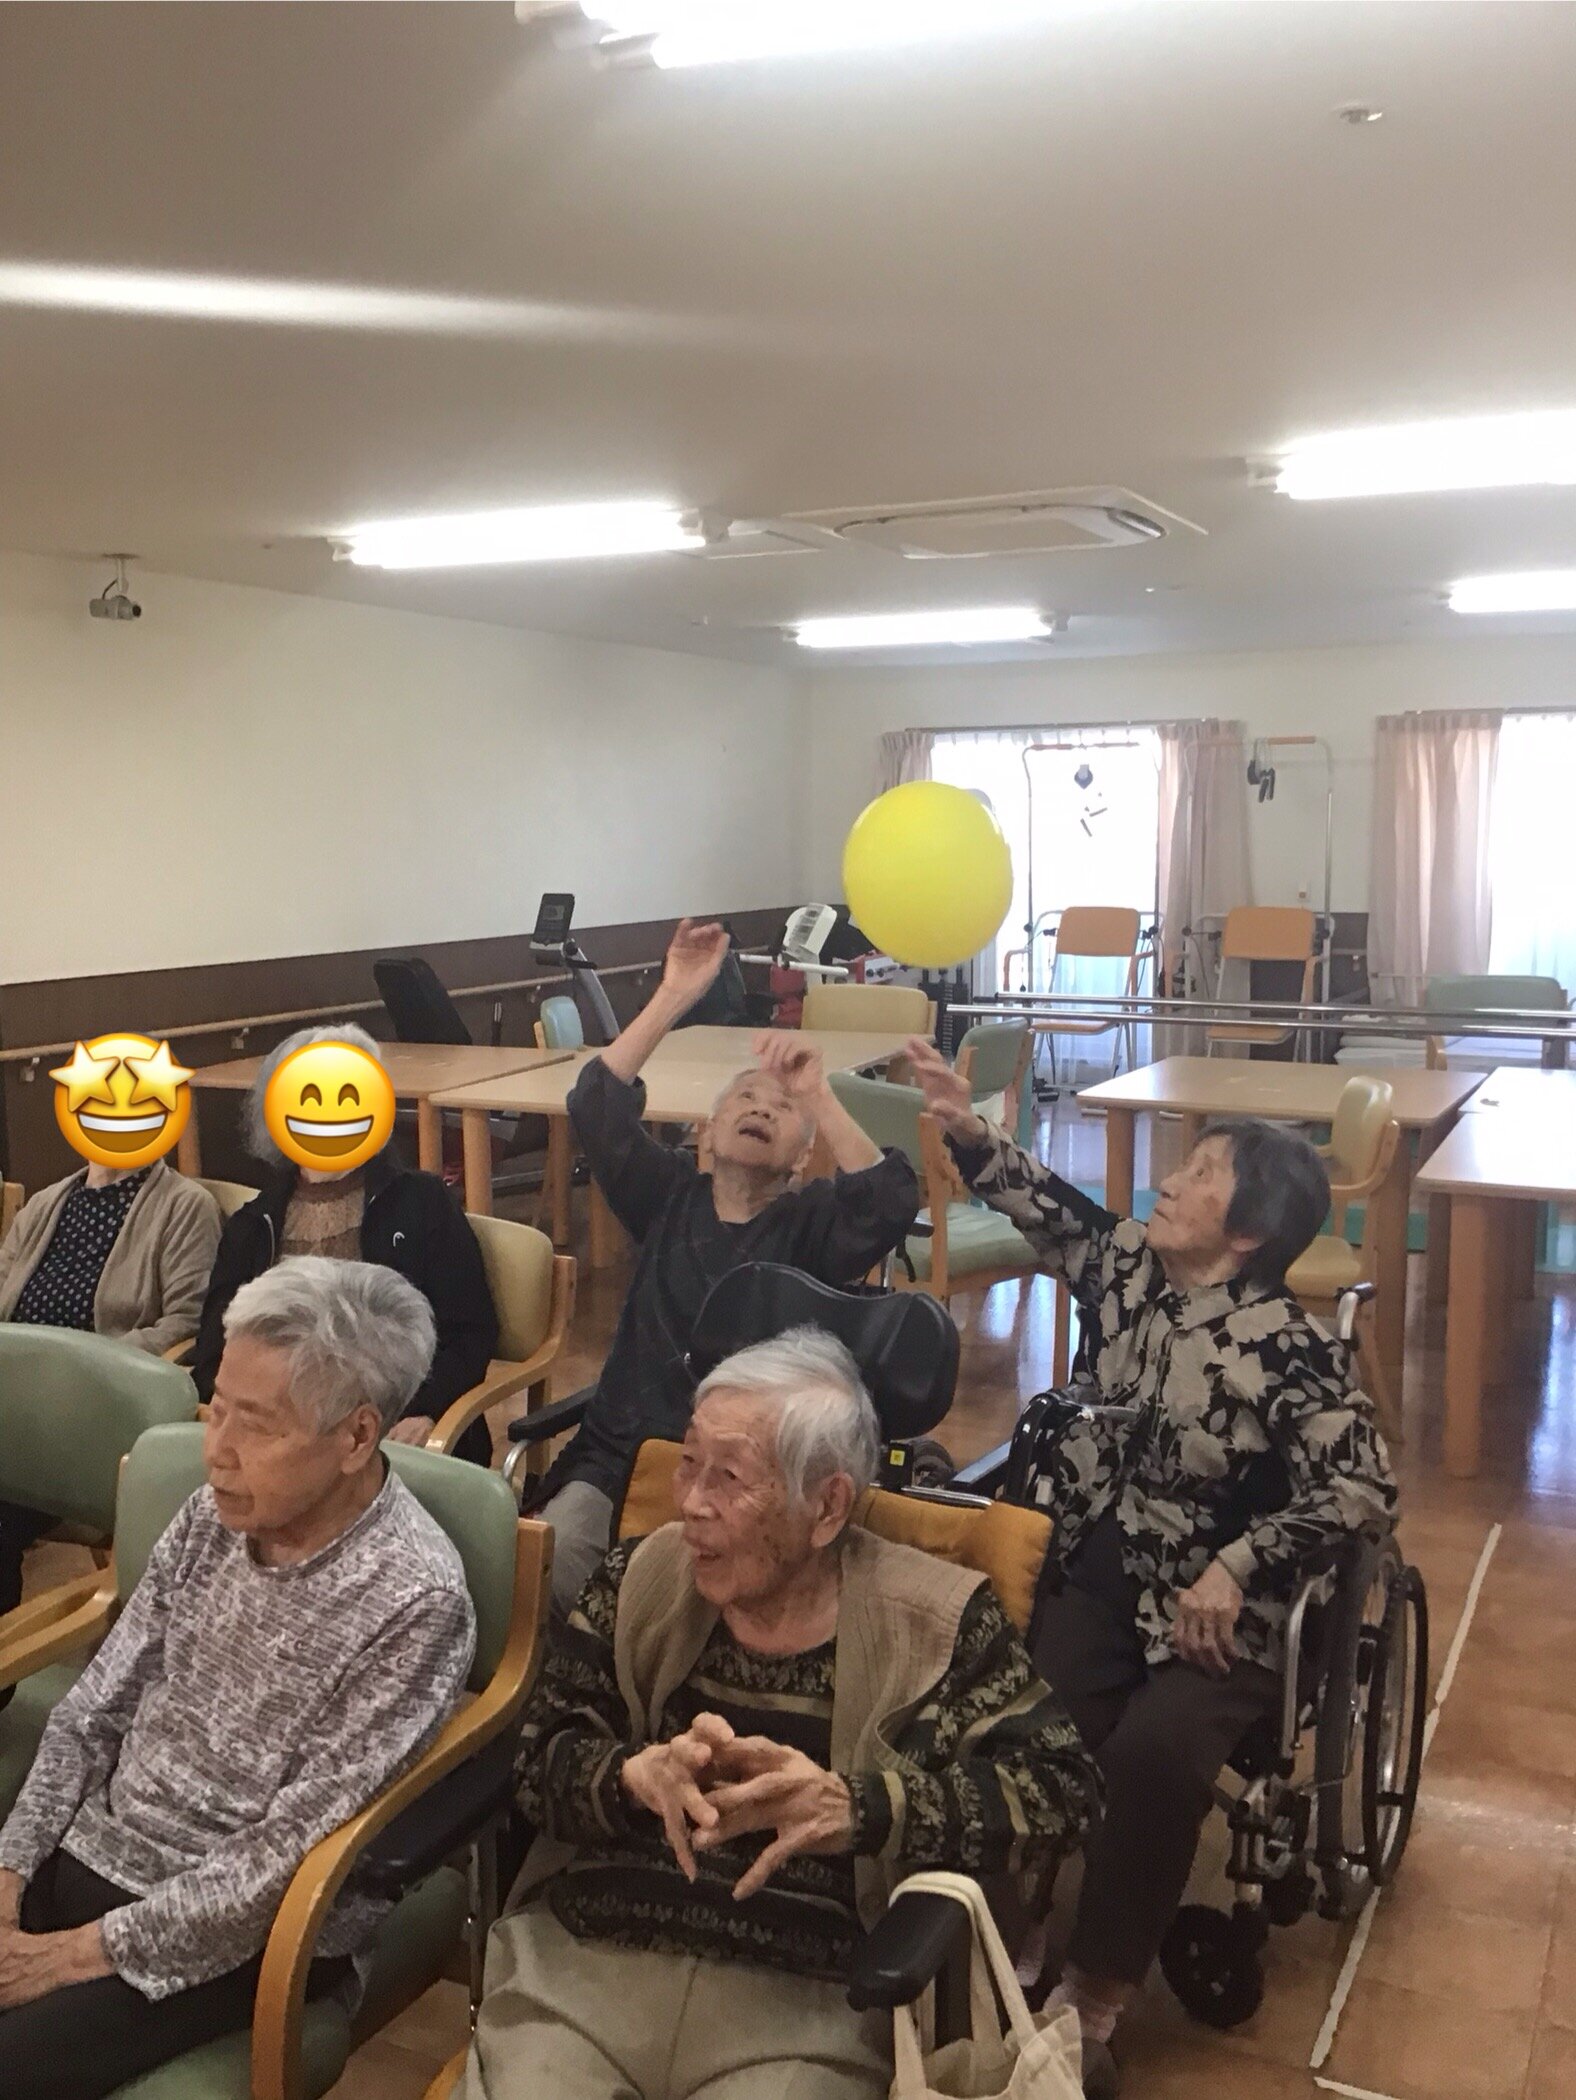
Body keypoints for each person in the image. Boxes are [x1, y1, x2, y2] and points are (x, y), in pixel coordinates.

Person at [906, 1038, 1397, 2093]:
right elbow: (1048, 1208)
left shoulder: (1288, 1347)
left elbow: (1363, 1486)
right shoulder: (1130, 1270)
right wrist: (965, 1124)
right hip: (1103, 1573)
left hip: (1226, 1616)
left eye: (1203, 1174)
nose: (1171, 1180)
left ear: (1248, 1231)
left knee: (1155, 1755)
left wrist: (1239, 1563)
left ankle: (1096, 1990)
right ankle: (1004, 1932)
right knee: (1020, 1722)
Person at [458, 1328, 1100, 2100]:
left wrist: (856, 1807)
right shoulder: (639, 1579)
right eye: (688, 1462)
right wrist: (631, 1776)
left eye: (728, 1478)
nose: (690, 1503)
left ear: (827, 1506)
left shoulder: (937, 1623)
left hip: (809, 2003)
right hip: (586, 1971)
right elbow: (537, 1758)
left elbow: (1066, 1793)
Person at [0, 1255, 475, 2100]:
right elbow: (92, 1710)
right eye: (216, 1408)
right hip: (96, 1853)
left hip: (242, 1939)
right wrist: (9, 1873)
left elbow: (281, 1862)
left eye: (256, 1426)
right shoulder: (213, 1515)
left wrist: (68, 1956)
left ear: (356, 1437)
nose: (216, 1451)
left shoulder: (416, 1601)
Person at [534, 920, 922, 1612]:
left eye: (781, 1109)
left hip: (750, 1477)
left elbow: (889, 1200)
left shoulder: (811, 1224)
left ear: (801, 1160)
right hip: (623, 1457)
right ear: (707, 1134)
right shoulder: (666, 1196)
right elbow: (595, 1103)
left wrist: (818, 1094)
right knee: (548, 1572)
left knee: (710, 1602)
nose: (762, 1107)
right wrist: (675, 994)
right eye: (745, 1098)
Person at [190, 1022, 498, 1464]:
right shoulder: (252, 1224)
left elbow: (470, 1332)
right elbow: (214, 1351)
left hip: (390, 1418)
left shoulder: (424, 1202)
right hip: (279, 1430)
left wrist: (425, 1410)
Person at [0, 1157, 221, 1620]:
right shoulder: (45, 1203)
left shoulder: (186, 1206)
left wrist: (83, 1365)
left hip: (93, 1416)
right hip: (15, 1406)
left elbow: (186, 1324)